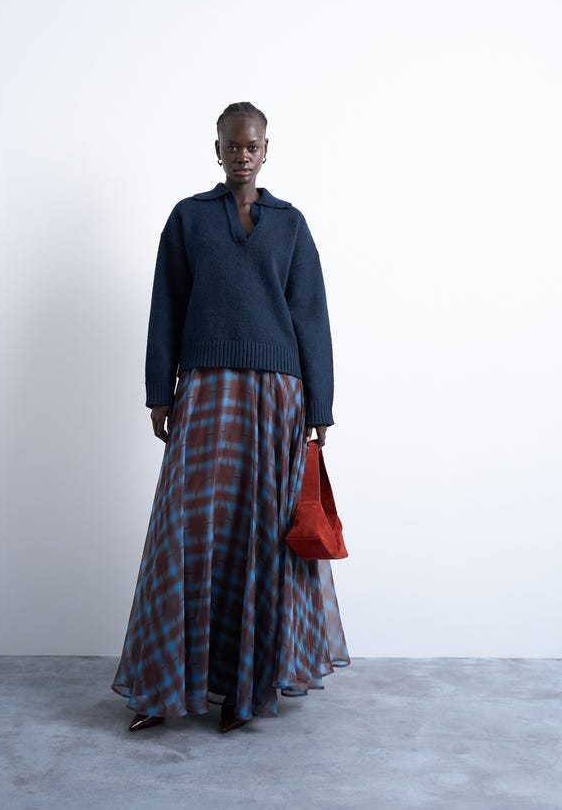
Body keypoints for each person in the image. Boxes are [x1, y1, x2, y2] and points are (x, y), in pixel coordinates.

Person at [111, 101, 349, 734]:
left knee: (263, 535)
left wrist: (320, 407)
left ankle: (248, 690)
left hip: (277, 397)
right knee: (185, 530)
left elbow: (311, 317)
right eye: (233, 145)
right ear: (216, 149)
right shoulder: (188, 219)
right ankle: (163, 687)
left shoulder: (290, 225)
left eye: (253, 145)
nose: (243, 155)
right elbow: (166, 307)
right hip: (206, 389)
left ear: (267, 150)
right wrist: (159, 392)